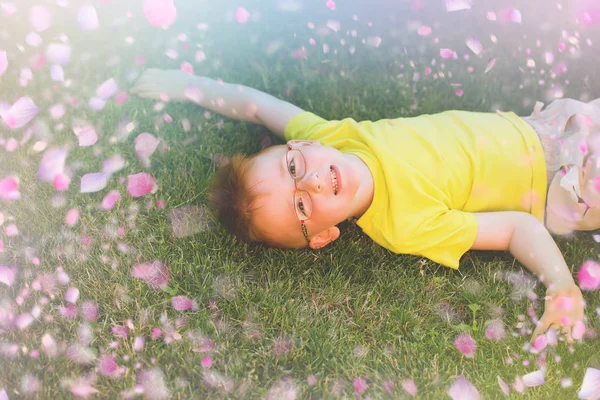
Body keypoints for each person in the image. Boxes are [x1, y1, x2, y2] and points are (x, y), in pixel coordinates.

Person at [131, 68, 600, 346]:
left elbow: (255, 105)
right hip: (571, 185)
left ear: (303, 141)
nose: (313, 182)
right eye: (300, 205)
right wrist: (561, 284)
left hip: (553, 124)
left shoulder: (336, 134)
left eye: (294, 166)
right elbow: (517, 227)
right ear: (321, 236)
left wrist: (183, 85)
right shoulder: (404, 226)